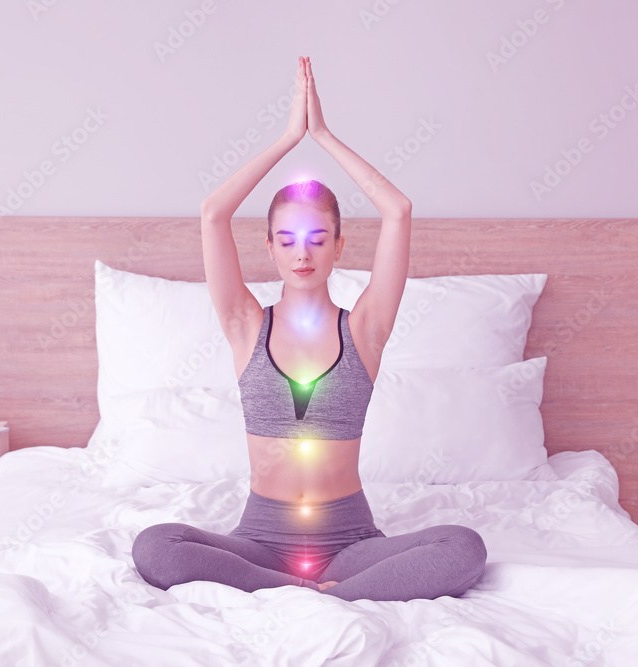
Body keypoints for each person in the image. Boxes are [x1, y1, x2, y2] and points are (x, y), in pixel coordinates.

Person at [132, 56, 486, 602]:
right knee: (156, 545)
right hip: (260, 539)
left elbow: (398, 209)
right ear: (269, 246)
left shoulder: (365, 329)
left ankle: (315, 592)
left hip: (350, 540)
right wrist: (286, 139)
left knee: (463, 548)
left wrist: (322, 135)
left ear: (339, 247)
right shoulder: (245, 324)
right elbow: (211, 213)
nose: (303, 253)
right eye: (289, 239)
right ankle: (307, 590)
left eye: (319, 239)